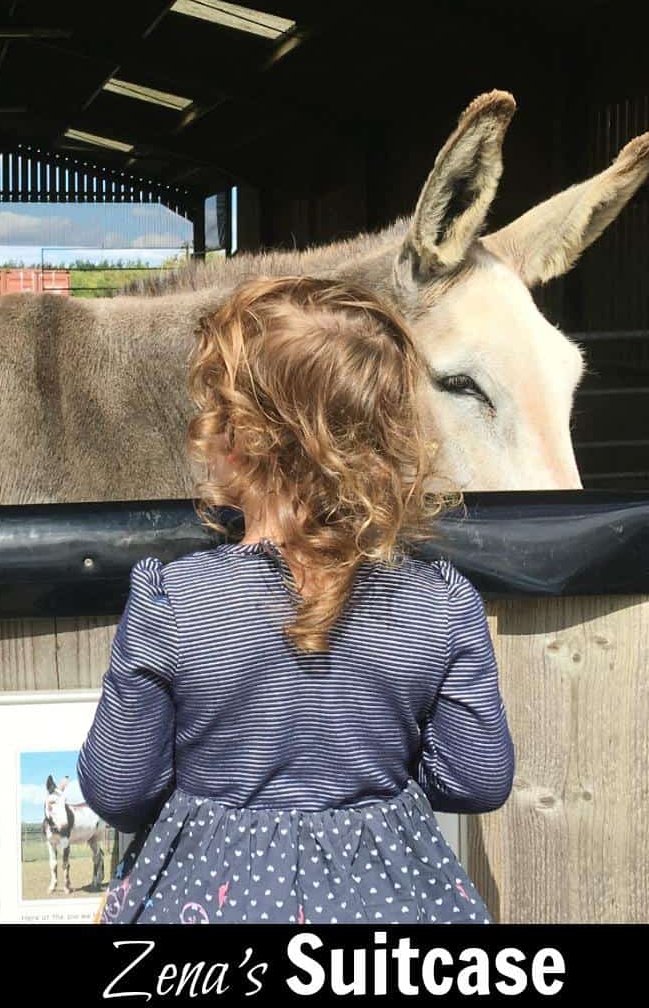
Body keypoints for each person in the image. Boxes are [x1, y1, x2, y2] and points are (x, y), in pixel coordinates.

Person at [78, 275, 514, 925]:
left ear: (242, 440)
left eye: (213, 411)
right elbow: (478, 779)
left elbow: (118, 789)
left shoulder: (174, 602)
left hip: (210, 902)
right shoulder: (438, 605)